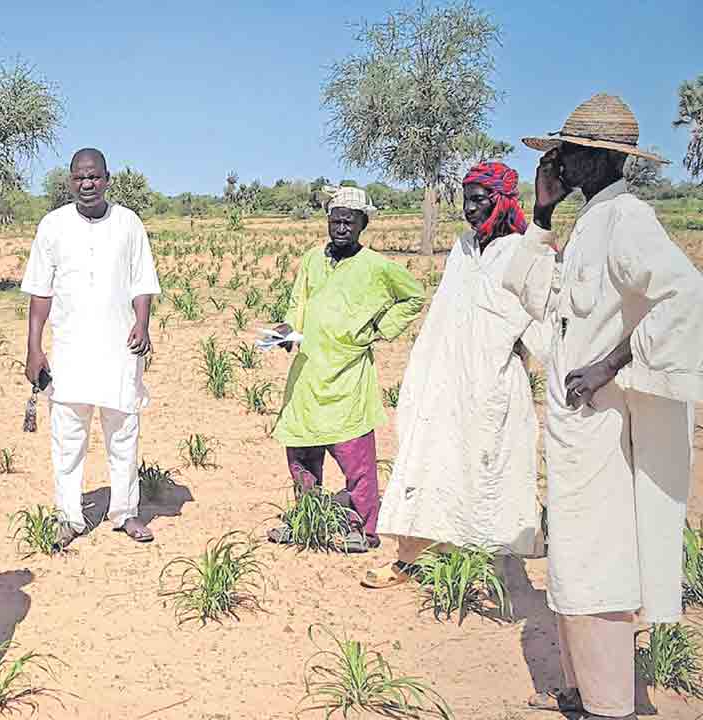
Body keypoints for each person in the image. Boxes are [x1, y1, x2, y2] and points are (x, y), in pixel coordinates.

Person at [504, 93, 703, 720]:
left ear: (602, 159)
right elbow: (532, 295)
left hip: (603, 429)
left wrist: (609, 365)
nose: (558, 161)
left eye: (570, 152)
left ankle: (609, 704)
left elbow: (685, 296)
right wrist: (541, 214)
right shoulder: (590, 221)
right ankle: (585, 691)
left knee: (596, 562)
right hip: (574, 431)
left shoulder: (628, 220)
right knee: (575, 559)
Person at [364, 161, 546, 589]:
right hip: (442, 377)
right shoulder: (462, 247)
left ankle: (485, 570)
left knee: (486, 470)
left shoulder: (524, 253)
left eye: (479, 200)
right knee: (429, 464)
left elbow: (541, 325)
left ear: (501, 201)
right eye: (466, 200)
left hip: (492, 383)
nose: (470, 209)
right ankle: (409, 560)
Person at [268, 186, 425, 553]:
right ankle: (307, 517)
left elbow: (414, 296)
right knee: (301, 451)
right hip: (308, 373)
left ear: (362, 225)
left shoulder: (377, 266)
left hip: (349, 372)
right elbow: (297, 303)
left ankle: (362, 527)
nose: (341, 228)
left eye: (349, 222)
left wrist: (378, 329)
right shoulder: (312, 260)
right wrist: (288, 329)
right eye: (335, 221)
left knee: (356, 460)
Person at [21, 148, 161, 549]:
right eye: (80, 177)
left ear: (107, 179)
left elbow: (142, 282)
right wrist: (34, 348)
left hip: (120, 351)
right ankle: (69, 515)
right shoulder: (53, 225)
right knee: (68, 438)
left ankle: (125, 512)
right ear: (70, 181)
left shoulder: (128, 223)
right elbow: (40, 293)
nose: (87, 184)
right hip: (70, 352)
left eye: (94, 177)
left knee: (123, 434)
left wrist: (142, 324)